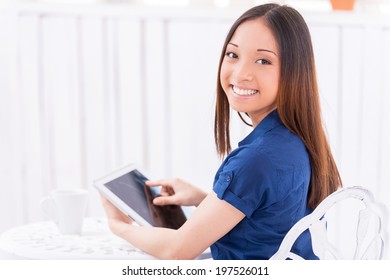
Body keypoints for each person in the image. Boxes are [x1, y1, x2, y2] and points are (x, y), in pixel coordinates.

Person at [101, 3, 342, 260]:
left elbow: (177, 250)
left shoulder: (257, 158)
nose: (240, 74)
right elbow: (270, 217)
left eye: (263, 60)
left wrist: (120, 227)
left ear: (294, 72)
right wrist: (203, 199)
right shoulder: (296, 138)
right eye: (233, 55)